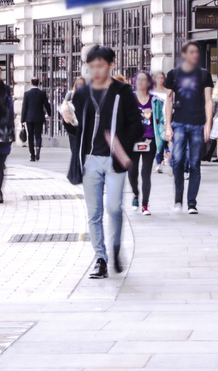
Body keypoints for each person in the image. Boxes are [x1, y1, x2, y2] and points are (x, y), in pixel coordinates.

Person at [62, 46, 144, 279]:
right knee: (94, 213)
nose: (95, 70)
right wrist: (68, 121)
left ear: (111, 66)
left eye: (100, 65)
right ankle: (100, 258)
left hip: (114, 160)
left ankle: (116, 248)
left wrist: (120, 145)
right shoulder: (82, 92)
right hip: (90, 160)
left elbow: (137, 126)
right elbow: (77, 130)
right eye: (91, 66)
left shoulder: (123, 92)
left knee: (114, 208)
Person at [164, 42, 214, 214]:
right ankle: (178, 199)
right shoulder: (173, 74)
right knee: (177, 161)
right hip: (178, 123)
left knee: (194, 164)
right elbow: (168, 101)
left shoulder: (204, 75)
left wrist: (208, 124)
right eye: (191, 52)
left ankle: (192, 203)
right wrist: (167, 126)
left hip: (197, 124)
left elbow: (209, 100)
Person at [128, 71, 162, 215]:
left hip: (150, 140)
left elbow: (160, 119)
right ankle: (135, 193)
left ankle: (145, 205)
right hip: (133, 140)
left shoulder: (155, 100)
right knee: (132, 172)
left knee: (145, 173)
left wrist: (164, 134)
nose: (141, 82)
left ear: (149, 83)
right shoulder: (130, 99)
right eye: (139, 79)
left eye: (144, 79)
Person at [21, 77, 51, 162]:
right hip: (39, 117)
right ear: (38, 83)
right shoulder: (42, 93)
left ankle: (32, 155)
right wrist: (49, 113)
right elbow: (46, 104)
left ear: (31, 83)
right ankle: (38, 148)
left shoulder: (27, 94)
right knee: (38, 135)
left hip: (29, 118)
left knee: (30, 136)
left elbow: (24, 107)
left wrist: (22, 119)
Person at [151, 71, 169, 173]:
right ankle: (158, 162)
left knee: (162, 140)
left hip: (164, 119)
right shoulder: (151, 91)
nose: (160, 80)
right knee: (156, 140)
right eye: (158, 78)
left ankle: (160, 161)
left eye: (162, 78)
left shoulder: (167, 91)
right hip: (154, 119)